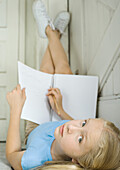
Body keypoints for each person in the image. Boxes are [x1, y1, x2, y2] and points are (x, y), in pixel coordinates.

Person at [6, 0, 120, 170]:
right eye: (84, 123)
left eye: (81, 139)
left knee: (45, 72)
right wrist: (60, 111)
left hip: (38, 128)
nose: (71, 127)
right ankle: (53, 34)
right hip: (53, 122)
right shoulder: (69, 130)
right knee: (64, 72)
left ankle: (49, 32)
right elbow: (74, 125)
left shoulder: (33, 158)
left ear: (77, 161)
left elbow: (11, 154)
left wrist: (16, 110)